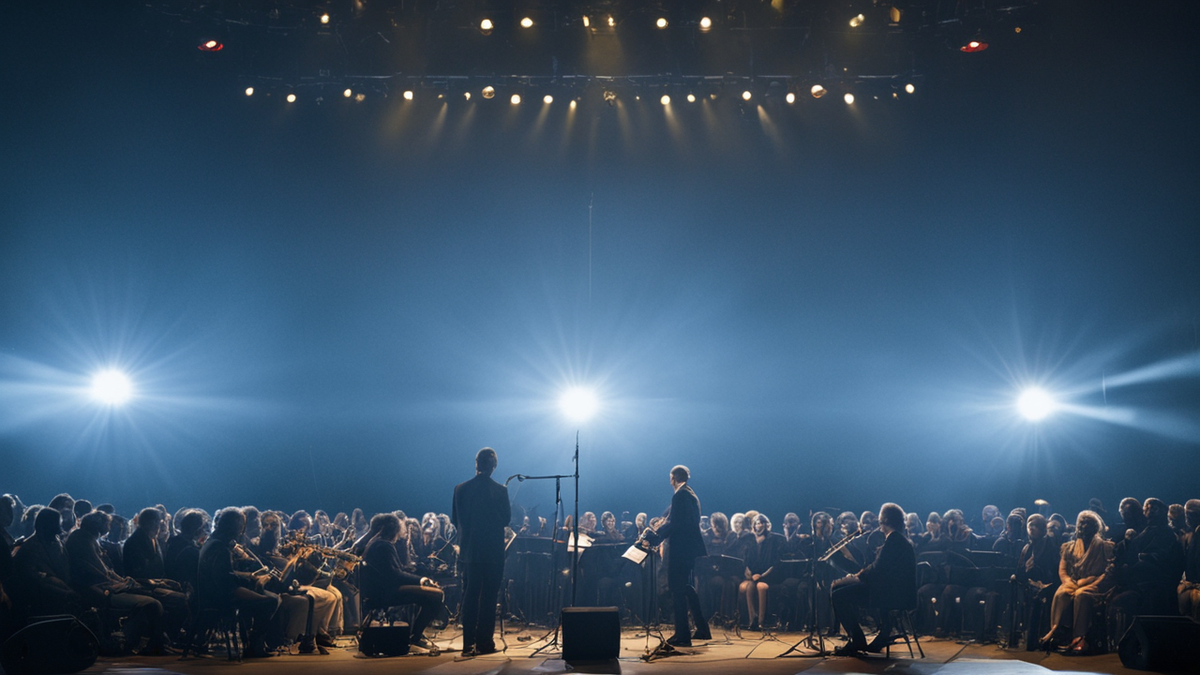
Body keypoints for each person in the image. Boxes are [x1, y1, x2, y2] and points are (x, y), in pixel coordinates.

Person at [830, 503, 917, 656]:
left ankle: (857, 639)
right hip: (895, 592)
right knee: (841, 590)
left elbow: (877, 569)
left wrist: (857, 576)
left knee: (838, 595)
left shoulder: (894, 540)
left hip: (891, 595)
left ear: (884, 520)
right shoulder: (898, 539)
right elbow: (880, 568)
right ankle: (879, 632)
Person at [451, 447, 511, 657]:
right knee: (488, 597)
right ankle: (485, 642)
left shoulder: (460, 489)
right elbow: (506, 520)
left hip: (469, 552)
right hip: (493, 552)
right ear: (494, 466)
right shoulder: (500, 490)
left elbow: (454, 520)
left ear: (476, 463)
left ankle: (468, 643)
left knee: (470, 595)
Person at [641, 465, 709, 646]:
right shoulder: (690, 493)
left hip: (681, 550)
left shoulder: (680, 495)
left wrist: (655, 538)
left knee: (677, 589)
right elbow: (676, 521)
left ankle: (683, 635)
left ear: (673, 478)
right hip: (688, 549)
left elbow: (676, 524)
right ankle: (702, 629)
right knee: (686, 587)